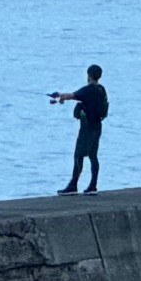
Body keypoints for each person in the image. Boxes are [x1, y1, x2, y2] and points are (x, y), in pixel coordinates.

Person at [52, 65, 109, 194]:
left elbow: (72, 95)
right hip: (97, 126)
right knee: (93, 155)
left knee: (79, 155)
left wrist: (59, 95)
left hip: (87, 127)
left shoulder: (88, 90)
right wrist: (62, 98)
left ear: (89, 75)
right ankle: (93, 186)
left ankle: (73, 185)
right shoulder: (101, 89)